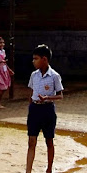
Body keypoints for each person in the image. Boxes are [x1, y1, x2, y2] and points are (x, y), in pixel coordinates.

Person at [26, 44, 64, 173]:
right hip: (34, 109)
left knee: (49, 140)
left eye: (36, 59)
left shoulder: (54, 76)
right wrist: (31, 106)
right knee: (31, 141)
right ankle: (28, 170)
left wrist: (48, 98)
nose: (33, 61)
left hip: (47, 110)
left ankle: (49, 169)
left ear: (44, 59)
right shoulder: (33, 75)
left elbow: (60, 95)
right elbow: (31, 92)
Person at [0, 36, 14, 108]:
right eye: (0, 43)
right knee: (2, 88)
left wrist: (9, 69)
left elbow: (4, 62)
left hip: (3, 71)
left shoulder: (3, 51)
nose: (2, 44)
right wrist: (1, 61)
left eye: (3, 43)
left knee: (3, 88)